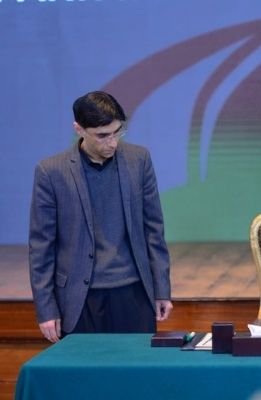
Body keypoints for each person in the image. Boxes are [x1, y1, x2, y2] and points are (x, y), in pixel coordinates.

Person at [29, 91, 173, 343]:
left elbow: (154, 230)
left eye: (118, 132)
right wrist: (46, 308)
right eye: (103, 136)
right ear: (79, 129)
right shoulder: (51, 172)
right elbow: (41, 246)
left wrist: (161, 289)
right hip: (78, 299)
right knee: (82, 380)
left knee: (134, 377)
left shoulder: (139, 160)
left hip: (134, 294)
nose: (113, 142)